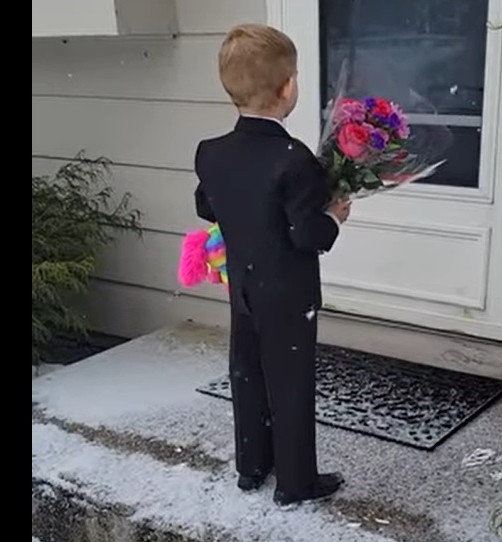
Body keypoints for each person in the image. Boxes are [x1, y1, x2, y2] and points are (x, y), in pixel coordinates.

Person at [193, 23, 351, 507]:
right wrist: (335, 217)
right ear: (287, 89)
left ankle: (252, 466)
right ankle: (295, 482)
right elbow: (307, 236)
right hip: (288, 296)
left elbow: (207, 207)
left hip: (243, 287)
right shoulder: (293, 158)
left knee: (247, 373)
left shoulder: (212, 153)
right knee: (291, 383)